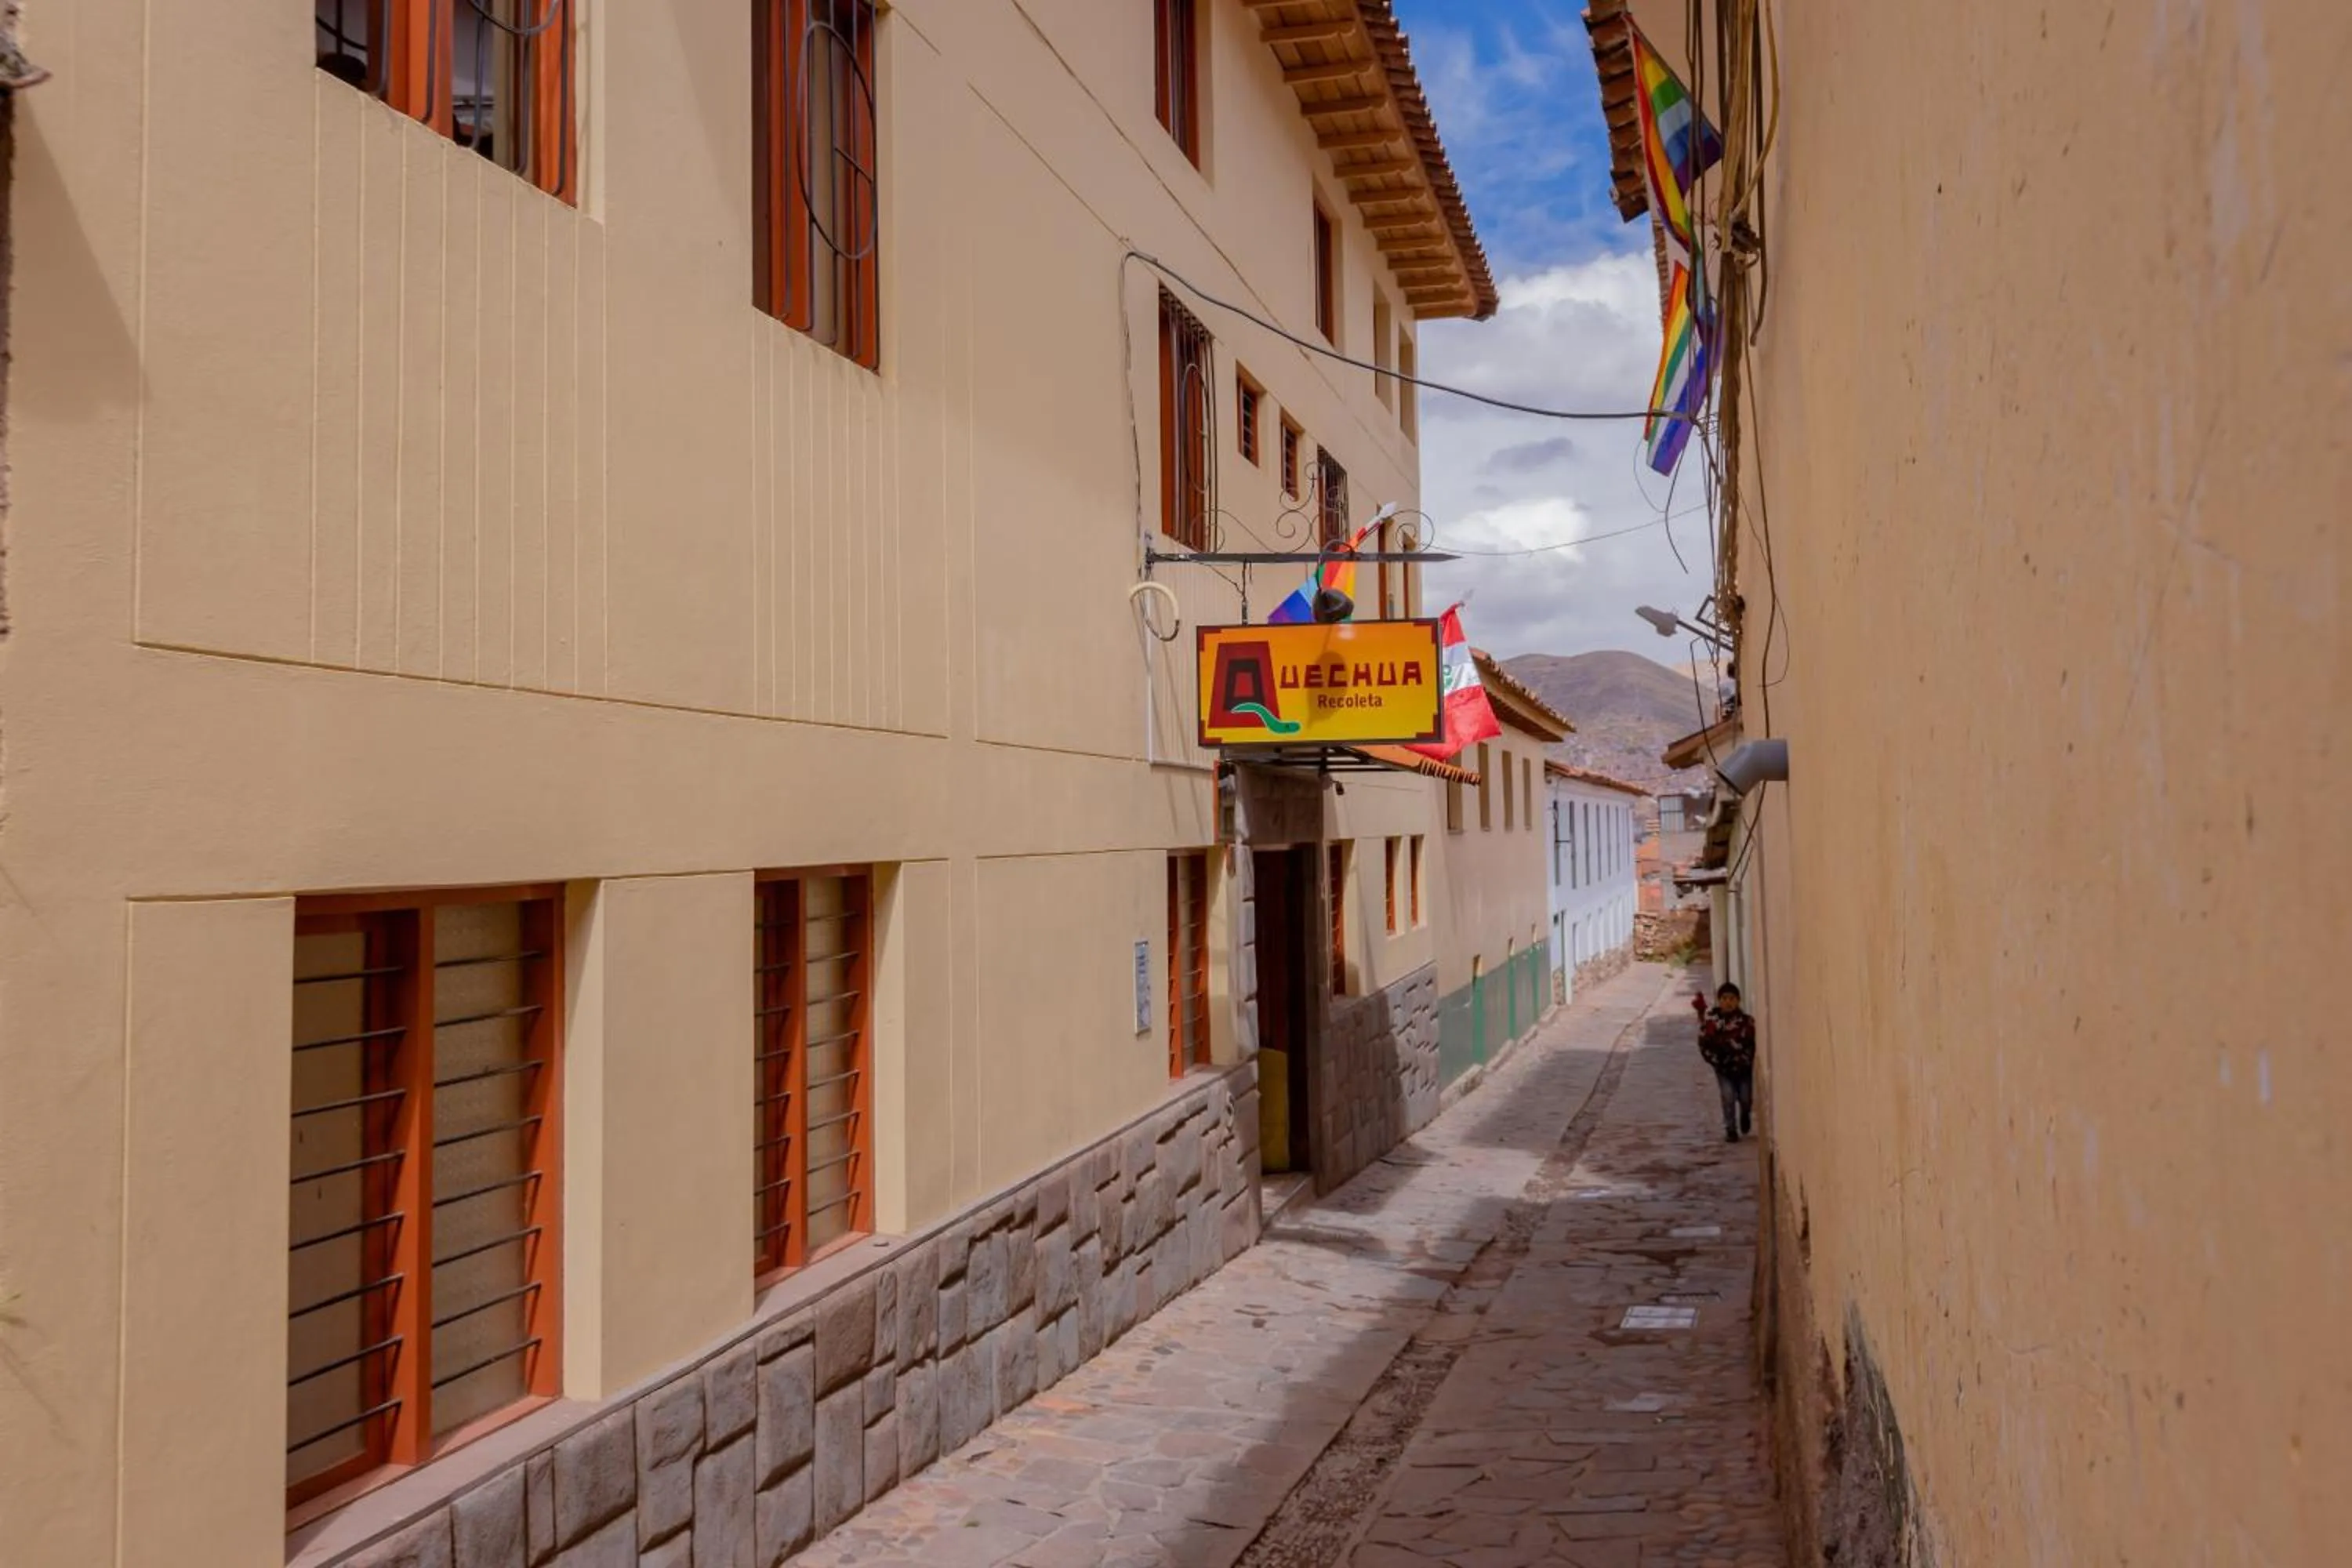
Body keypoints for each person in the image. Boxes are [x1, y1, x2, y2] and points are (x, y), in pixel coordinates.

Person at [1696, 982, 1757, 1142]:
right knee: (1728, 1097)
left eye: (1732, 998)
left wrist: (1745, 1059)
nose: (1728, 1002)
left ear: (1738, 1000)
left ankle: (1745, 1115)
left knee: (1745, 1098)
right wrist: (1716, 1061)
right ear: (1719, 1000)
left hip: (1743, 1068)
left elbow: (1752, 1044)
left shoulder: (1746, 1022)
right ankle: (1730, 1129)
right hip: (1723, 1069)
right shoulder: (1717, 1022)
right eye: (1724, 998)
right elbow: (1705, 1041)